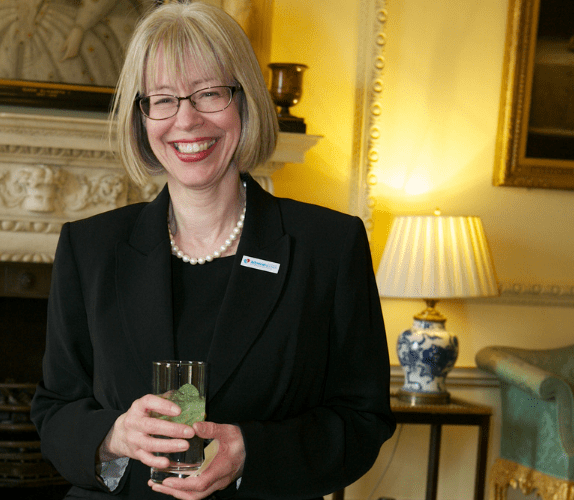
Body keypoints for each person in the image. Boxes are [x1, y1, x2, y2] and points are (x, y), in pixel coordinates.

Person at [30, 3, 395, 499]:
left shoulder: (328, 247)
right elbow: (56, 407)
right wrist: (113, 437)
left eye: (209, 94)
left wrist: (252, 451)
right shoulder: (89, 249)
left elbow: (362, 419)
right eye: (162, 99)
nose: (186, 120)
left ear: (244, 101)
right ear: (142, 116)